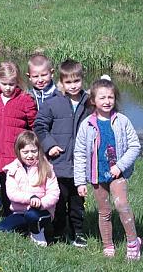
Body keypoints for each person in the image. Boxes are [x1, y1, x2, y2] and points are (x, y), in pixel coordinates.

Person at [74, 78, 143, 260]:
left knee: (121, 205)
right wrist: (80, 181)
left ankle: (133, 242)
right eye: (102, 98)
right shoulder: (87, 124)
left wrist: (120, 166)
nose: (107, 101)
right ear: (93, 101)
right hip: (97, 175)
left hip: (117, 174)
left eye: (110, 97)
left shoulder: (122, 121)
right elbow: (80, 153)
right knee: (104, 211)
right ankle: (108, 245)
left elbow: (135, 146)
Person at [34, 59, 92, 246]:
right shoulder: (52, 103)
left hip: (80, 163)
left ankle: (78, 232)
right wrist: (49, 145)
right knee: (58, 201)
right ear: (61, 82)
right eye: (68, 82)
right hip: (58, 162)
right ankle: (58, 231)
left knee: (77, 203)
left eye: (76, 81)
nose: (73, 86)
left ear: (82, 80)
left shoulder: (89, 103)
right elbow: (40, 126)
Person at [0, 61, 37, 216]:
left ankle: (23, 216)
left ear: (17, 82)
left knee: (17, 187)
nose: (8, 88)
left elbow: (34, 125)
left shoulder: (25, 100)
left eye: (12, 84)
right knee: (3, 186)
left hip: (16, 155)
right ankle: (7, 216)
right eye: (4, 84)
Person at [0, 131, 59, 247]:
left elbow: (54, 193)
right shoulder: (12, 169)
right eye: (25, 152)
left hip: (41, 210)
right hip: (20, 211)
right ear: (18, 152)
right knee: (1, 228)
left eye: (33, 151)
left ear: (39, 150)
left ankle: (38, 232)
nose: (30, 155)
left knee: (32, 216)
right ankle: (27, 229)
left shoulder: (46, 168)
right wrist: (30, 198)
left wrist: (41, 203)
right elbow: (12, 193)